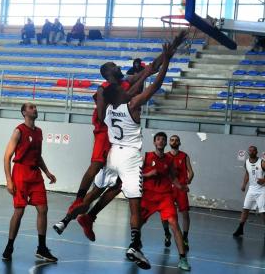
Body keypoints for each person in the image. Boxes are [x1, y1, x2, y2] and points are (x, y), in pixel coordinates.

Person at [53, 32, 187, 237]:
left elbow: (152, 68)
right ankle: (76, 205)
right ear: (108, 73)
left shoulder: (126, 82)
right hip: (105, 133)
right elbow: (101, 114)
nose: (118, 66)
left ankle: (83, 217)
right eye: (114, 65)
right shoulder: (104, 89)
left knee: (117, 186)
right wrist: (124, 99)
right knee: (96, 168)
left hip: (119, 140)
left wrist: (173, 46)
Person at [2, 102, 58, 262]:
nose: (35, 109)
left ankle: (41, 248)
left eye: (35, 107)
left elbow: (37, 155)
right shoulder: (18, 131)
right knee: (19, 211)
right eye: (31, 107)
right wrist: (8, 180)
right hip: (20, 172)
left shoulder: (39, 132)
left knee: (43, 209)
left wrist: (47, 172)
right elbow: (7, 156)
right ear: (24, 112)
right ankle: (9, 245)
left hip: (35, 174)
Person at [141, 132, 191, 271]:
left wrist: (181, 186)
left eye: (163, 139)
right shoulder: (146, 156)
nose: (161, 141)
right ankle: (134, 246)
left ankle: (182, 258)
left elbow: (173, 177)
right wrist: (147, 174)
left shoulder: (169, 160)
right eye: (158, 139)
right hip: (149, 196)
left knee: (174, 224)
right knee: (138, 223)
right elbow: (136, 173)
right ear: (154, 142)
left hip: (165, 197)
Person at [162, 135, 194, 251]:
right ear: (169, 142)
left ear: (179, 142)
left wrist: (188, 181)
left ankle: (185, 238)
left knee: (185, 214)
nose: (174, 141)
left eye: (176, 140)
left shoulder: (184, 156)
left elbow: (191, 172)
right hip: (168, 190)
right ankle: (167, 234)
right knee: (165, 215)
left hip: (180, 189)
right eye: (172, 140)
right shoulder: (165, 156)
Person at [233, 145, 265, 238]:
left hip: (262, 190)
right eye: (249, 150)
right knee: (245, 208)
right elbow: (247, 174)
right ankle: (240, 229)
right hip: (251, 189)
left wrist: (264, 180)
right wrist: (244, 184)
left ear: (256, 152)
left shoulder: (262, 162)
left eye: (253, 150)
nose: (251, 152)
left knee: (263, 211)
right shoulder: (246, 162)